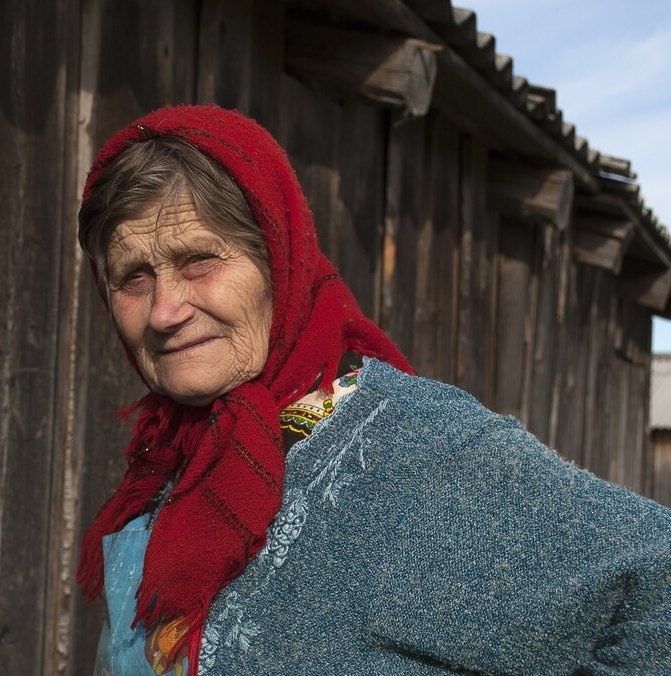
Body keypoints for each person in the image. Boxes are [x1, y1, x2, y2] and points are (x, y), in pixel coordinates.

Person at [77, 105, 671, 675]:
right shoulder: (171, 458)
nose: (163, 310)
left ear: (279, 261)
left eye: (199, 262)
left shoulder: (405, 451)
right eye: (133, 278)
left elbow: (657, 580)